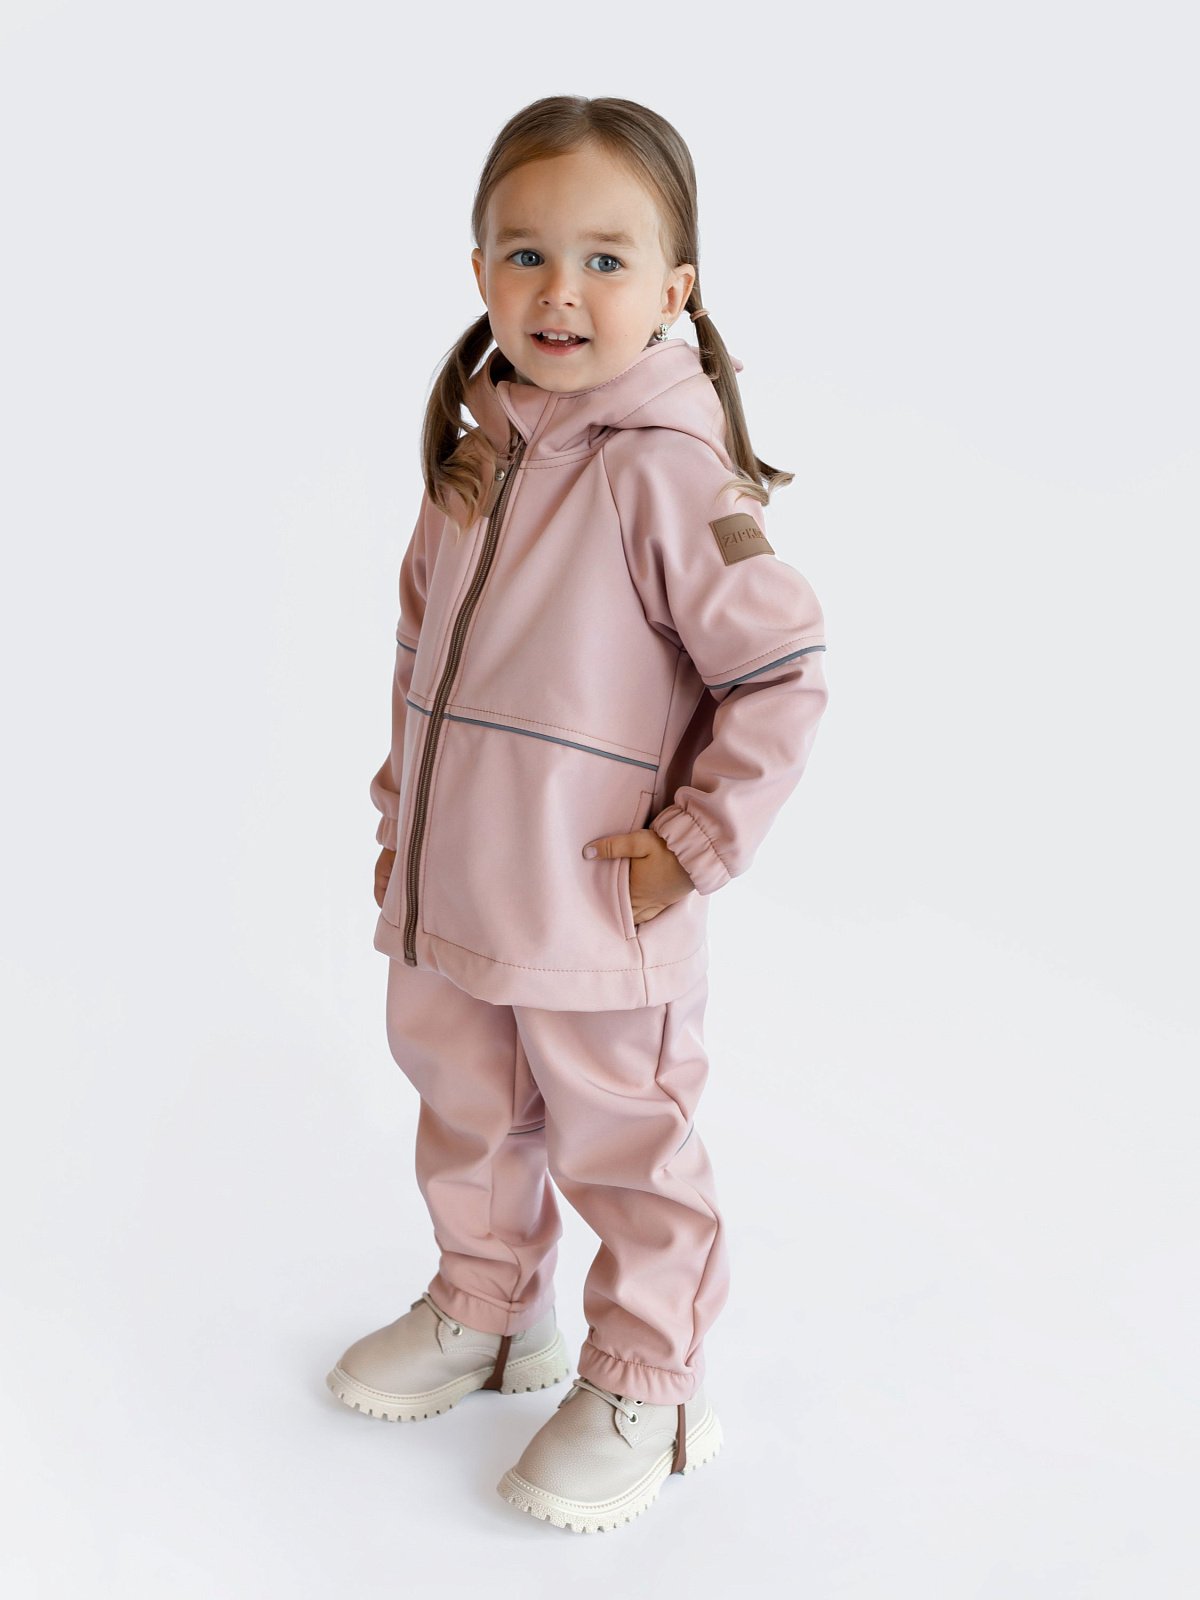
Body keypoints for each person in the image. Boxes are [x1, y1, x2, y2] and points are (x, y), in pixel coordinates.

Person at [325, 94, 830, 1534]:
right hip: (452, 892)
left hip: (599, 905)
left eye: (608, 260)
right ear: (481, 271)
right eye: (528, 254)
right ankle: (488, 1310)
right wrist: (402, 819)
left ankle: (649, 1384)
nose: (562, 290)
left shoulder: (662, 469)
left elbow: (780, 672)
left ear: (676, 292)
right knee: (466, 1107)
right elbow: (419, 655)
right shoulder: (478, 454)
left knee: (625, 1140)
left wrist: (696, 844)